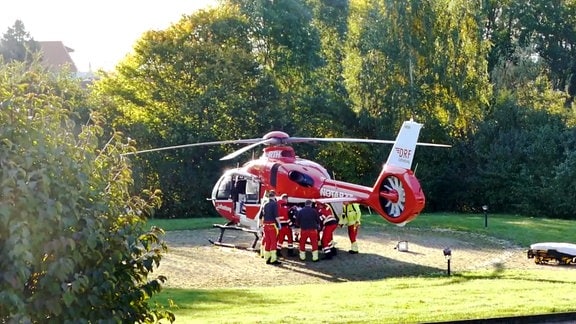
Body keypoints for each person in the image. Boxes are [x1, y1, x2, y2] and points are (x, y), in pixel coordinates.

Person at [261, 190, 281, 265]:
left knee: (268, 241)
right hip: (272, 225)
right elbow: (276, 216)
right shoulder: (274, 204)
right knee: (273, 242)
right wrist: (279, 224)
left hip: (265, 225)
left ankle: (267, 257)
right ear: (274, 196)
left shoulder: (265, 204)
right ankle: (273, 259)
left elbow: (262, 215)